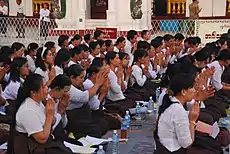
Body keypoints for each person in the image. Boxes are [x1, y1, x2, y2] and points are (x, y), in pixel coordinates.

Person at [14, 74, 73, 154]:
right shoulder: (27, 110)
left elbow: (51, 122)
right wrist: (50, 115)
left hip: (47, 143)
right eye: (43, 87)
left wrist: (56, 112)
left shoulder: (39, 102)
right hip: (33, 147)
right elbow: (42, 139)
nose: (47, 89)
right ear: (33, 93)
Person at [155, 73, 199, 154]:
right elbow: (187, 144)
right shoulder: (178, 110)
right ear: (183, 91)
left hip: (162, 148)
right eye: (192, 87)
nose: (194, 90)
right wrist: (192, 122)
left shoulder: (170, 102)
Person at [66, 64, 109, 138]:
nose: (83, 80)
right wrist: (98, 85)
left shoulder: (82, 85)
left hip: (84, 116)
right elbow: (84, 97)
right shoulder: (69, 88)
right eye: (81, 77)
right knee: (95, 130)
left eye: (83, 77)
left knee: (103, 123)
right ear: (72, 78)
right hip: (73, 119)